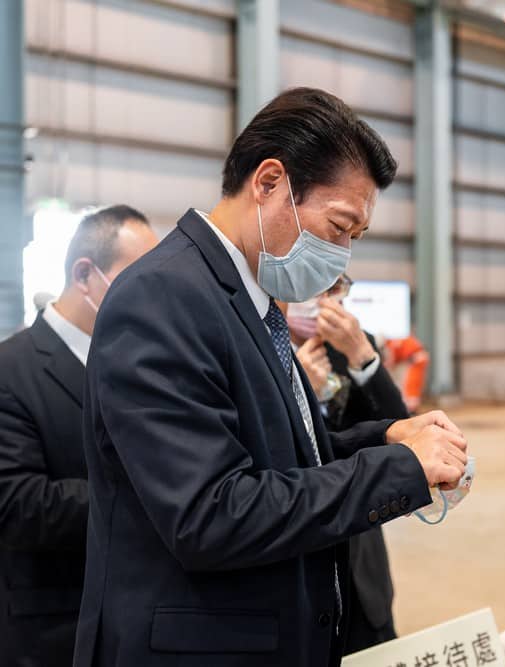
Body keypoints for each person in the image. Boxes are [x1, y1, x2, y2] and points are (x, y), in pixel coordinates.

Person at [73, 88, 468, 667]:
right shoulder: (164, 296)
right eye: (338, 227)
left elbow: (284, 455)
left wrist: (382, 439)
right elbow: (210, 513)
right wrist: (397, 471)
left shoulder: (250, 302)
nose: (342, 256)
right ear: (269, 182)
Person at [0, 206, 158, 667]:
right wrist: (145, 499)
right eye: (137, 279)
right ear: (85, 274)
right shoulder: (12, 369)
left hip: (137, 620)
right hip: (52, 628)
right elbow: (15, 502)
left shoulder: (138, 363)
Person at [286, 275, 408, 654]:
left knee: (373, 639)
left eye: (333, 290)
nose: (321, 300)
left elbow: (397, 429)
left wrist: (363, 358)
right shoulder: (255, 348)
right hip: (293, 540)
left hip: (358, 539)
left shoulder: (350, 344)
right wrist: (295, 391)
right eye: (312, 289)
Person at [383, 334, 429, 414]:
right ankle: (411, 408)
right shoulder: (397, 341)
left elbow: (391, 362)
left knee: (411, 385)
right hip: (417, 358)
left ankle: (410, 409)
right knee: (413, 385)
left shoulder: (390, 344)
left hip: (415, 359)